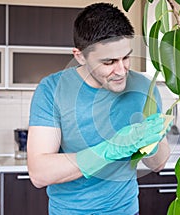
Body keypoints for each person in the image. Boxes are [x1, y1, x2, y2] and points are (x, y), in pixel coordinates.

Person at [27, 3, 171, 215]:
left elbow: (158, 164)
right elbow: (40, 173)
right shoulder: (52, 90)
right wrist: (111, 148)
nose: (121, 71)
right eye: (109, 62)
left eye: (126, 57)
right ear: (80, 56)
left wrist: (152, 138)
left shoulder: (143, 87)